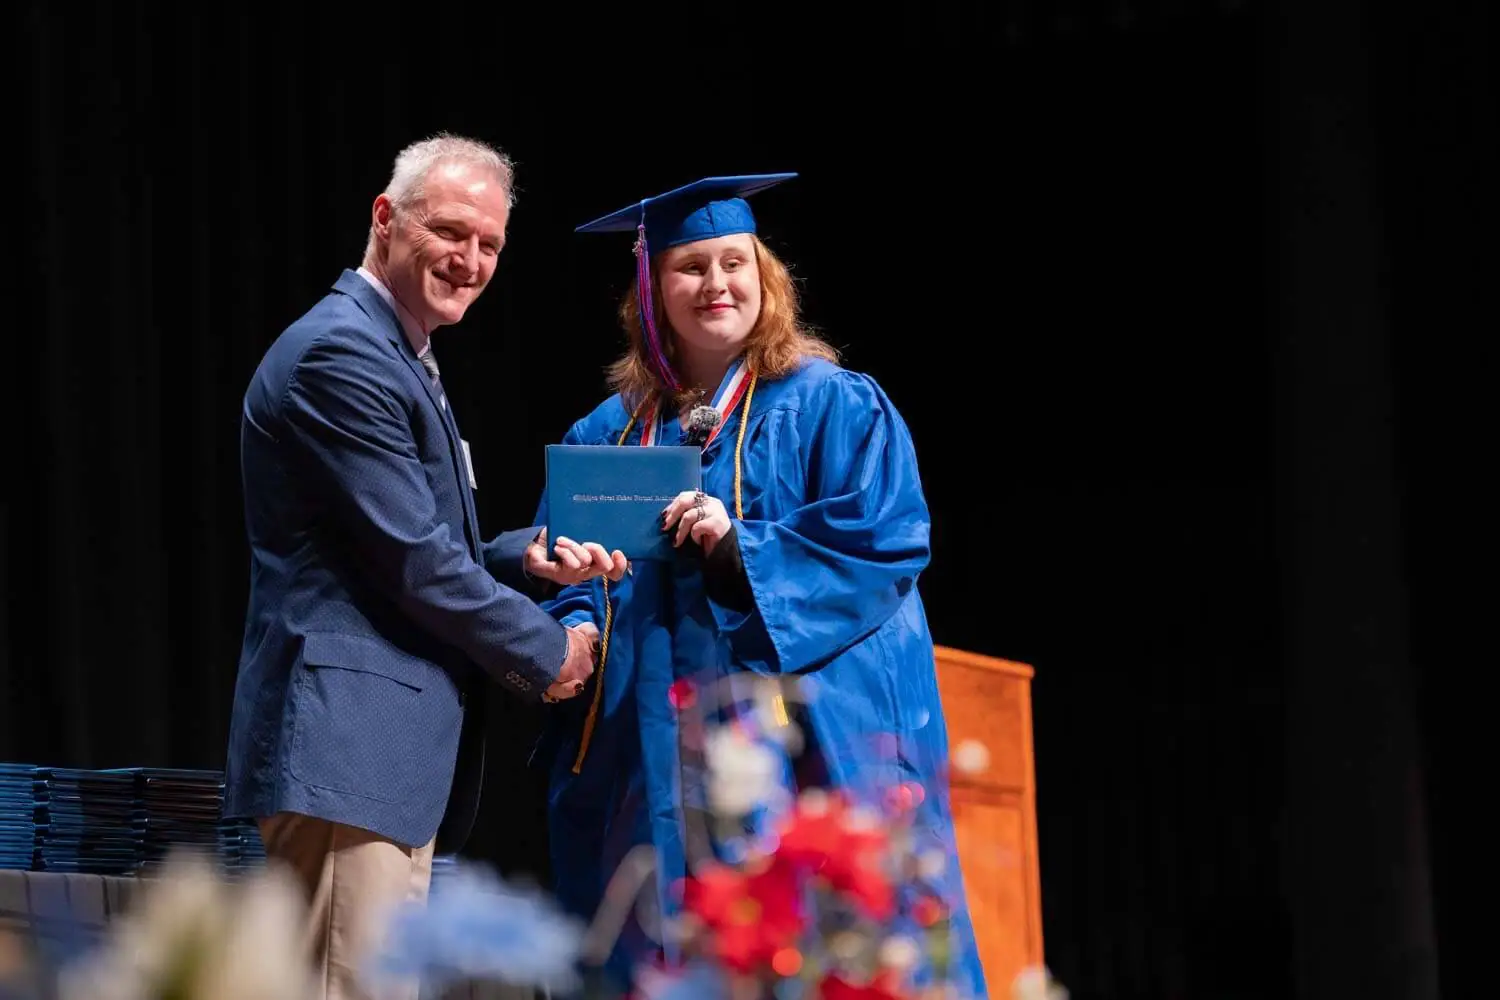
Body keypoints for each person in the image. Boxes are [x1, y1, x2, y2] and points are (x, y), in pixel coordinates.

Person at [532, 174, 989, 997]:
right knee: (666, 948)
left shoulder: (833, 406)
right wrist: (573, 601)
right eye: (691, 266)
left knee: (825, 947)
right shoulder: (609, 433)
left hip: (808, 738)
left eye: (733, 262)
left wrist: (741, 548)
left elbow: (887, 538)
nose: (716, 284)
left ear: (765, 276)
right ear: (651, 291)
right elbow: (571, 575)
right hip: (656, 753)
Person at [222, 133, 626, 1000]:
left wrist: (529, 559)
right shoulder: (343, 353)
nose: (471, 260)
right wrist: (552, 654)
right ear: (385, 218)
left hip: (382, 766)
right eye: (451, 232)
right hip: (348, 752)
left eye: (489, 245)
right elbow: (416, 562)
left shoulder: (401, 354)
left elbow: (407, 548)